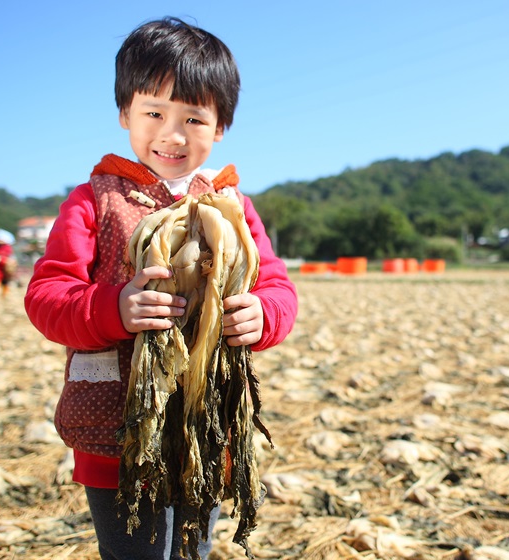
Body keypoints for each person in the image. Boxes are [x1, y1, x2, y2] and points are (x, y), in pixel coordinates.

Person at [24, 17, 298, 560]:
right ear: (125, 113)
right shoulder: (94, 200)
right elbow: (47, 296)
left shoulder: (233, 206)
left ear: (220, 127)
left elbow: (277, 286)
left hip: (205, 426)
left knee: (192, 553)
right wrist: (112, 309)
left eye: (194, 118)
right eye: (154, 113)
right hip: (116, 430)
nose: (172, 135)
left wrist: (262, 316)